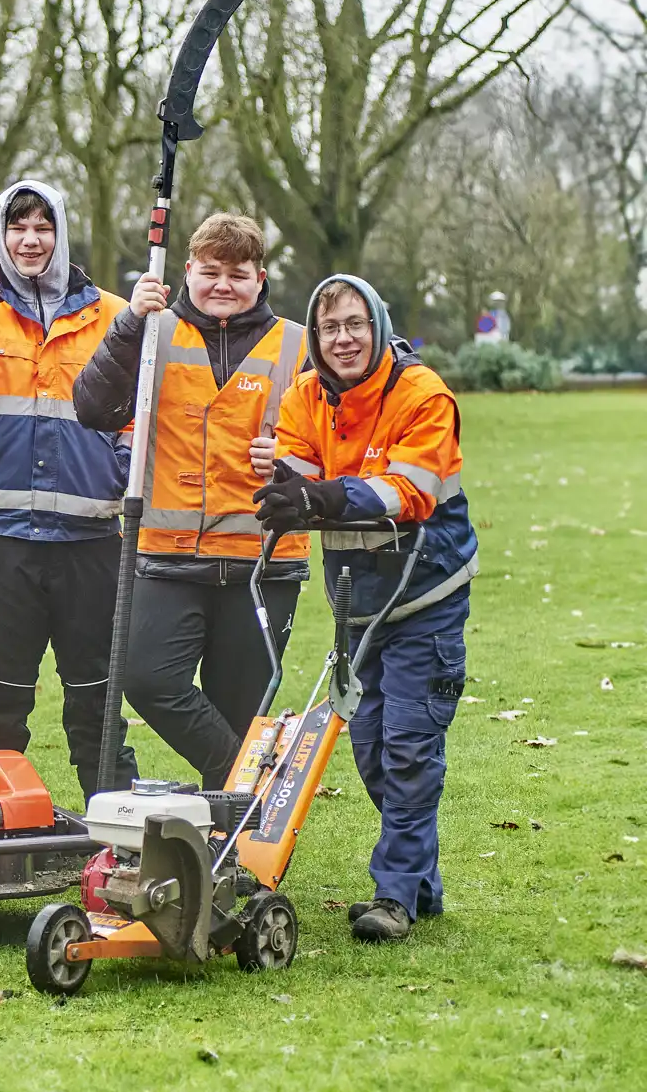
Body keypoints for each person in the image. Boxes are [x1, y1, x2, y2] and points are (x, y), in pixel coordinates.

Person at [256, 274, 478, 943]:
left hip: (426, 593)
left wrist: (319, 497)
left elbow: (406, 492)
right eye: (330, 329)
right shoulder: (305, 395)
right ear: (316, 337)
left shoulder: (421, 394)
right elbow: (292, 478)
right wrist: (286, 490)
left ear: (376, 325)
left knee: (408, 746)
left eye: (355, 324)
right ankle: (421, 884)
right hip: (358, 602)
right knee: (373, 751)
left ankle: (394, 898)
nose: (343, 338)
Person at [72, 213, 310, 789]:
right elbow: (94, 408)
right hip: (166, 553)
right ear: (186, 272)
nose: (222, 284)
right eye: (210, 272)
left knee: (242, 709)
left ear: (261, 278)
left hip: (264, 558)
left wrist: (288, 458)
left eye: (238, 273)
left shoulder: (298, 344)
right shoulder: (152, 331)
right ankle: (245, 780)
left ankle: (234, 856)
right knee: (150, 680)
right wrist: (128, 323)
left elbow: (330, 441)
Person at [0, 180, 137, 798]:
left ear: (61, 233)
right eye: (18, 228)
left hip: (90, 537)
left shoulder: (114, 315)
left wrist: (117, 473)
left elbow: (136, 413)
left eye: (43, 227)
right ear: (2, 234)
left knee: (95, 695)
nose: (30, 239)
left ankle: (111, 826)